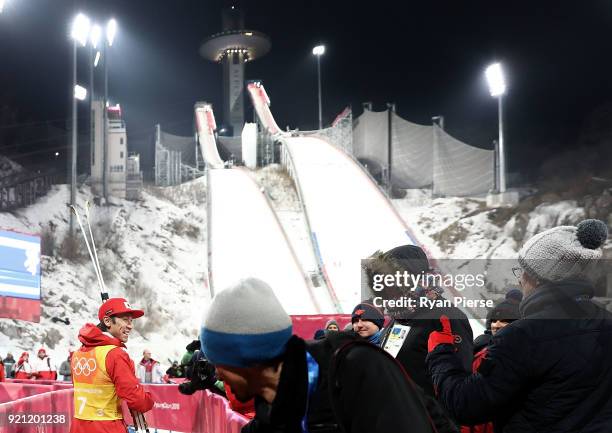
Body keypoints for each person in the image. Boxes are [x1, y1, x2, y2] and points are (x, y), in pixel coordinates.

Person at [427, 219, 612, 432]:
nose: (519, 281)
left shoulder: (523, 336)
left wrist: (441, 354)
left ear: (539, 279)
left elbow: (466, 405)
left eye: (523, 272)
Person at [201, 277, 435, 433]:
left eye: (222, 363)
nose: (218, 373)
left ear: (252, 357)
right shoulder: (273, 394)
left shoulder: (357, 371)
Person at [362, 244, 473, 398]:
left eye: (393, 282)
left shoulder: (446, 317)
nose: (387, 290)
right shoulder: (398, 319)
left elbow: (459, 386)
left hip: (431, 418)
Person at [70, 297, 154, 433]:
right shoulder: (115, 354)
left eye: (131, 321)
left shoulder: (78, 353)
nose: (130, 326)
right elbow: (135, 397)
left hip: (78, 426)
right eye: (125, 320)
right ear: (108, 321)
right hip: (107, 426)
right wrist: (149, 400)